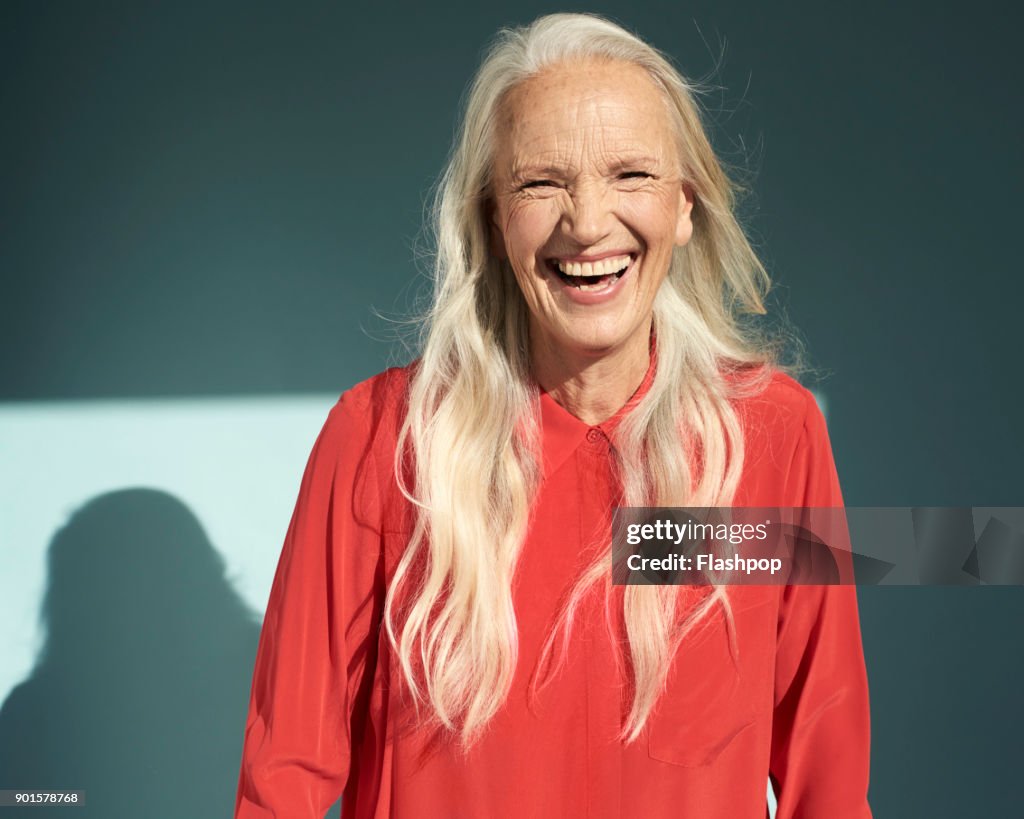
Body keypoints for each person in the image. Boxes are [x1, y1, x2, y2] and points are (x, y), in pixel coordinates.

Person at [234, 12, 872, 818]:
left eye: (631, 174)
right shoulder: (378, 442)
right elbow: (280, 785)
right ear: (494, 219)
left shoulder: (773, 437)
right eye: (542, 182)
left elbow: (829, 781)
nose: (588, 221)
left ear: (686, 206)